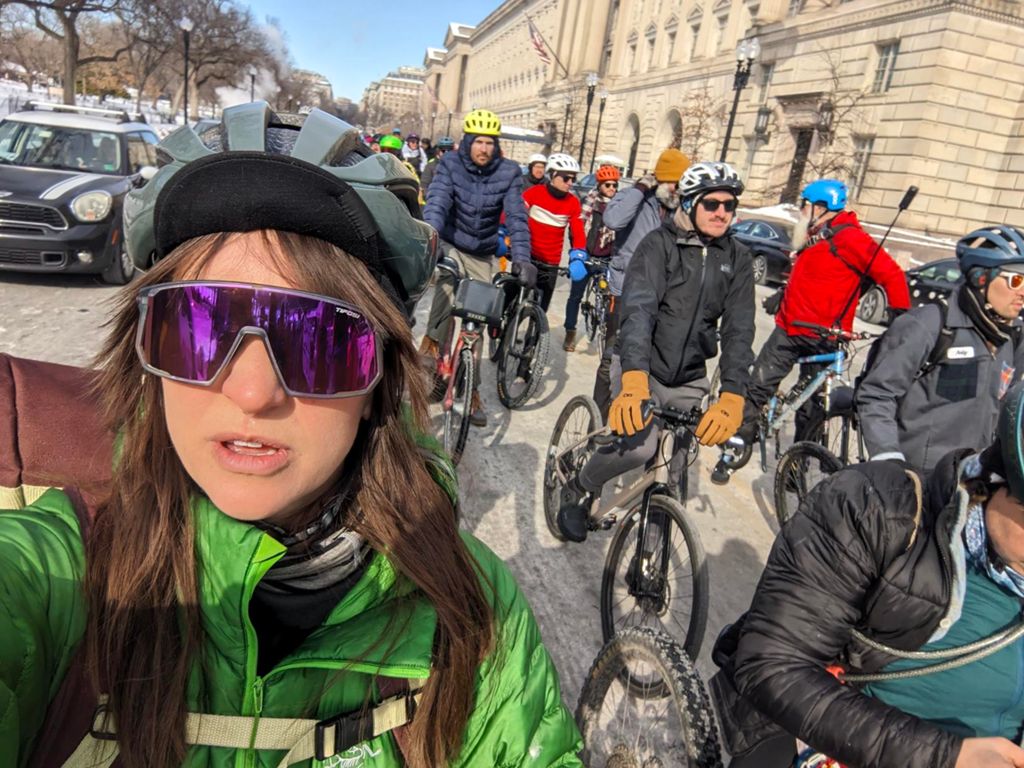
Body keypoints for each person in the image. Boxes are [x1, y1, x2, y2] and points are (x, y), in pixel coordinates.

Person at [0, 103, 582, 768]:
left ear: (379, 382)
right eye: (198, 327)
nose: (253, 393)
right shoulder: (58, 576)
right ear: (144, 353)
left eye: (322, 342)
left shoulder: (475, 615)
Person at [711, 383, 1024, 768]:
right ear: (996, 480)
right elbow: (774, 664)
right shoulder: (872, 508)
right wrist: (945, 756)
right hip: (838, 742)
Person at [557, 161, 755, 541]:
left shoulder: (737, 258)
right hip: (641, 366)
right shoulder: (658, 245)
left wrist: (733, 395)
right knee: (640, 447)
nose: (721, 213)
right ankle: (580, 486)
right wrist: (634, 380)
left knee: (675, 469)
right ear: (691, 203)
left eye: (729, 205)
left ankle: (651, 554)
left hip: (689, 378)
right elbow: (638, 312)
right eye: (712, 204)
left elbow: (739, 332)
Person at [720, 178, 912, 480]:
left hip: (824, 336)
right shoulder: (817, 235)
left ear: (820, 208)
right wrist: (783, 295)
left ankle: (797, 467)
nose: (801, 211)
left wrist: (902, 319)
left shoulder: (852, 239)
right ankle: (735, 447)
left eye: (805, 205)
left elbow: (892, 275)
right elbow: (815, 276)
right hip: (790, 327)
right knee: (758, 386)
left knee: (812, 409)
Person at [856, 225, 1024, 471]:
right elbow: (877, 394)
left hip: (973, 475)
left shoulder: (1011, 338)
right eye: (1016, 280)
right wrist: (888, 458)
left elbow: (1009, 409)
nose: (1022, 292)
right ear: (980, 278)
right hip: (918, 475)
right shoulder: (930, 326)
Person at [421, 108, 533, 427]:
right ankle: (432, 371)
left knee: (477, 324)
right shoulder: (450, 164)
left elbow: (516, 217)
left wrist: (522, 258)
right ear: (468, 141)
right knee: (443, 304)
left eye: (490, 142)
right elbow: (437, 203)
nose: (484, 148)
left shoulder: (509, 172)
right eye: (479, 141)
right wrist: (430, 240)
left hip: (482, 254)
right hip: (452, 245)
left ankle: (470, 390)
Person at [594, 147, 691, 418]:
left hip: (659, 295)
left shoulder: (680, 209)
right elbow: (613, 219)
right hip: (623, 289)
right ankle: (599, 420)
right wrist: (639, 189)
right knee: (612, 357)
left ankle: (631, 414)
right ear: (661, 180)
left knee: (644, 360)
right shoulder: (635, 198)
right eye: (674, 183)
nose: (677, 191)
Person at [563, 163, 619, 352]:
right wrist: (577, 253)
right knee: (575, 296)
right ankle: (570, 332)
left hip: (607, 258)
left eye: (615, 185)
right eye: (608, 185)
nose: (612, 188)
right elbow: (576, 228)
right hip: (587, 255)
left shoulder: (620, 206)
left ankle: (606, 330)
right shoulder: (589, 202)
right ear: (600, 185)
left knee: (610, 295)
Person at [522, 152, 586, 313]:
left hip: (550, 262)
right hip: (527, 255)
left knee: (541, 310)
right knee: (512, 295)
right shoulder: (534, 192)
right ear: (553, 175)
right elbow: (515, 214)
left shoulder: (573, 202)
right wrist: (504, 233)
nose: (570, 183)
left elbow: (578, 231)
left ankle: (536, 328)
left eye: (573, 179)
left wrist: (578, 255)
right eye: (566, 178)